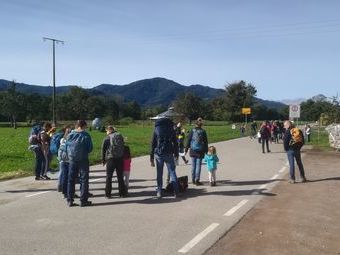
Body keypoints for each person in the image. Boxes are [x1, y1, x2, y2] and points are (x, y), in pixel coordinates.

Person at [150, 116, 179, 198]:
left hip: (159, 154)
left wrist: (151, 157)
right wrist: (176, 154)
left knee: (159, 173)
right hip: (169, 153)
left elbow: (153, 144)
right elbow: (175, 143)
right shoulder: (171, 129)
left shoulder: (156, 129)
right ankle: (176, 191)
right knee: (172, 172)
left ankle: (159, 191)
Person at [66, 120, 93, 207]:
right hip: (83, 159)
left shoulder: (70, 135)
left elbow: (66, 147)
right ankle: (83, 200)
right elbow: (90, 148)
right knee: (84, 179)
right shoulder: (85, 135)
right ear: (83, 126)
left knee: (71, 179)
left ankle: (70, 200)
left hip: (72, 159)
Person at [102, 125, 127, 198]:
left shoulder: (107, 138)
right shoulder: (119, 136)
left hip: (111, 159)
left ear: (108, 130)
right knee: (120, 176)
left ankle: (108, 194)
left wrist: (103, 160)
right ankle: (122, 193)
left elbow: (103, 149)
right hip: (120, 158)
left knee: (109, 177)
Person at [185, 117, 208, 186]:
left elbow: (188, 141)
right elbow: (206, 142)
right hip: (200, 151)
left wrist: (186, 150)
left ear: (195, 124)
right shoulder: (203, 131)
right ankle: (197, 180)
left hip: (193, 150)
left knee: (193, 166)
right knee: (198, 166)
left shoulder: (192, 130)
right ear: (201, 125)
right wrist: (206, 151)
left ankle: (193, 180)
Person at [57, 126, 72, 197]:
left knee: (64, 176)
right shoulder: (71, 140)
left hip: (62, 160)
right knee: (70, 178)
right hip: (69, 160)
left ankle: (64, 192)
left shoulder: (62, 139)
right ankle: (69, 193)